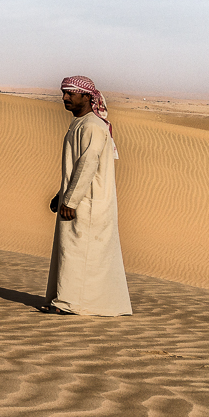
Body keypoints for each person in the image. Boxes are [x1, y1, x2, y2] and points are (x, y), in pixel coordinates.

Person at [41, 76, 131, 316]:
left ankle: (70, 305)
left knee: (78, 251)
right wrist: (61, 194)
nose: (65, 98)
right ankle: (69, 301)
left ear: (87, 96)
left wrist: (70, 200)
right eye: (64, 93)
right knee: (74, 250)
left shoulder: (92, 125)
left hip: (88, 202)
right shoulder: (82, 123)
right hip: (80, 198)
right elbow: (76, 165)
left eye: (71, 93)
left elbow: (88, 164)